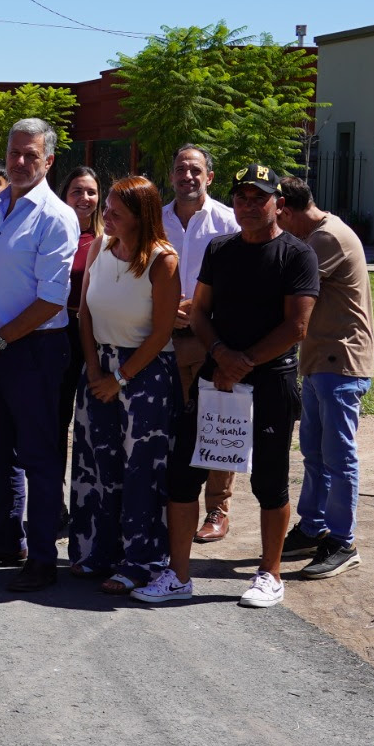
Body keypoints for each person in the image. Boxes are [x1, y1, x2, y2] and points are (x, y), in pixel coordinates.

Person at [136, 164, 318, 607]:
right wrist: (221, 355)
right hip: (216, 377)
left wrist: (246, 361)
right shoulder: (220, 249)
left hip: (270, 382)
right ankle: (178, 575)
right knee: (183, 475)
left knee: (269, 483)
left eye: (260, 197)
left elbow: (297, 325)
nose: (250, 206)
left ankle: (269, 575)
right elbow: (198, 311)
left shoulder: (297, 254)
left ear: (278, 202)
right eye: (242, 197)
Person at [0, 118, 80, 592]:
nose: (19, 162)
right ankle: (7, 536)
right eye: (14, 152)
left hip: (33, 350)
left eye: (31, 155)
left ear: (49, 161)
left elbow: (52, 299)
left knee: (39, 455)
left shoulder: (55, 215)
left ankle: (43, 556)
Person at [69, 176, 180, 595]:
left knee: (141, 470)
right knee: (97, 463)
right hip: (99, 367)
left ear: (141, 215)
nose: (107, 215)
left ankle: (140, 561)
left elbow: (161, 333)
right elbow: (84, 314)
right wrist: (96, 369)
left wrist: (120, 378)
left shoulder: (161, 260)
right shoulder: (99, 247)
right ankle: (96, 551)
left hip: (144, 373)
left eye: (116, 210)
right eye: (108, 208)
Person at [276, 176, 374, 580]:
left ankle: (341, 540)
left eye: (275, 213)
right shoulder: (316, 234)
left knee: (338, 456)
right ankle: (314, 527)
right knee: (314, 454)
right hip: (320, 360)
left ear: (285, 208)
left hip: (341, 361)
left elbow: (282, 287)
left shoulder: (326, 239)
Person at [162, 144, 241, 545]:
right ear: (171, 175)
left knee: (214, 423)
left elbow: (244, 278)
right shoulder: (155, 221)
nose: (187, 176)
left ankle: (218, 508)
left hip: (211, 339)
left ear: (209, 176)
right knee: (169, 423)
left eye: (195, 170)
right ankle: (171, 502)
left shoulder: (228, 221)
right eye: (180, 169)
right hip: (164, 341)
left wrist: (198, 307)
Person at [57, 166, 103, 481]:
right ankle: (54, 498)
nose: (84, 198)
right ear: (64, 195)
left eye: (91, 192)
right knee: (58, 419)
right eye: (77, 191)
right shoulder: (53, 232)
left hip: (98, 334)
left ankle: (91, 496)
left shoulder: (108, 238)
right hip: (58, 331)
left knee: (95, 420)